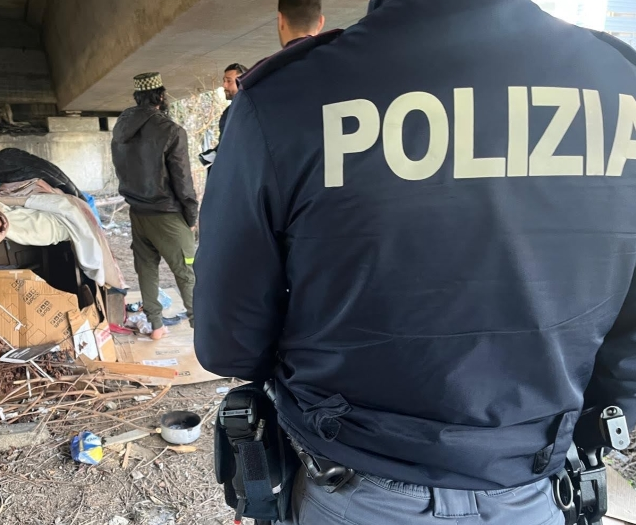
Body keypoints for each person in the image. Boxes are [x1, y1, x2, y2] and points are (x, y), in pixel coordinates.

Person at [194, 0, 636, 523]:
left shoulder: (287, 97)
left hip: (351, 487)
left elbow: (229, 342)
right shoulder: (619, 84)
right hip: (533, 485)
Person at [111, 72, 198, 340]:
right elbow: (182, 180)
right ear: (161, 96)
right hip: (168, 215)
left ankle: (156, 327)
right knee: (187, 272)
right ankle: (202, 327)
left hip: (137, 212)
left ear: (138, 97)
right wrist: (191, 214)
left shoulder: (121, 127)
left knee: (146, 270)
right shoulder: (171, 130)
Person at [219, 63, 248, 141]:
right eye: (224, 81)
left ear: (242, 83)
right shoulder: (228, 112)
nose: (224, 85)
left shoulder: (254, 110)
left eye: (229, 81)